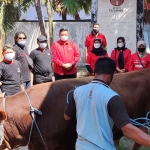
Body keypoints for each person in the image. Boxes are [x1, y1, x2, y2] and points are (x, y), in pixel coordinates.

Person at [64, 57, 150, 150]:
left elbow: (66, 116)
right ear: (113, 74)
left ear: (94, 71)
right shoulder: (112, 97)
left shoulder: (77, 91)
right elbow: (127, 130)